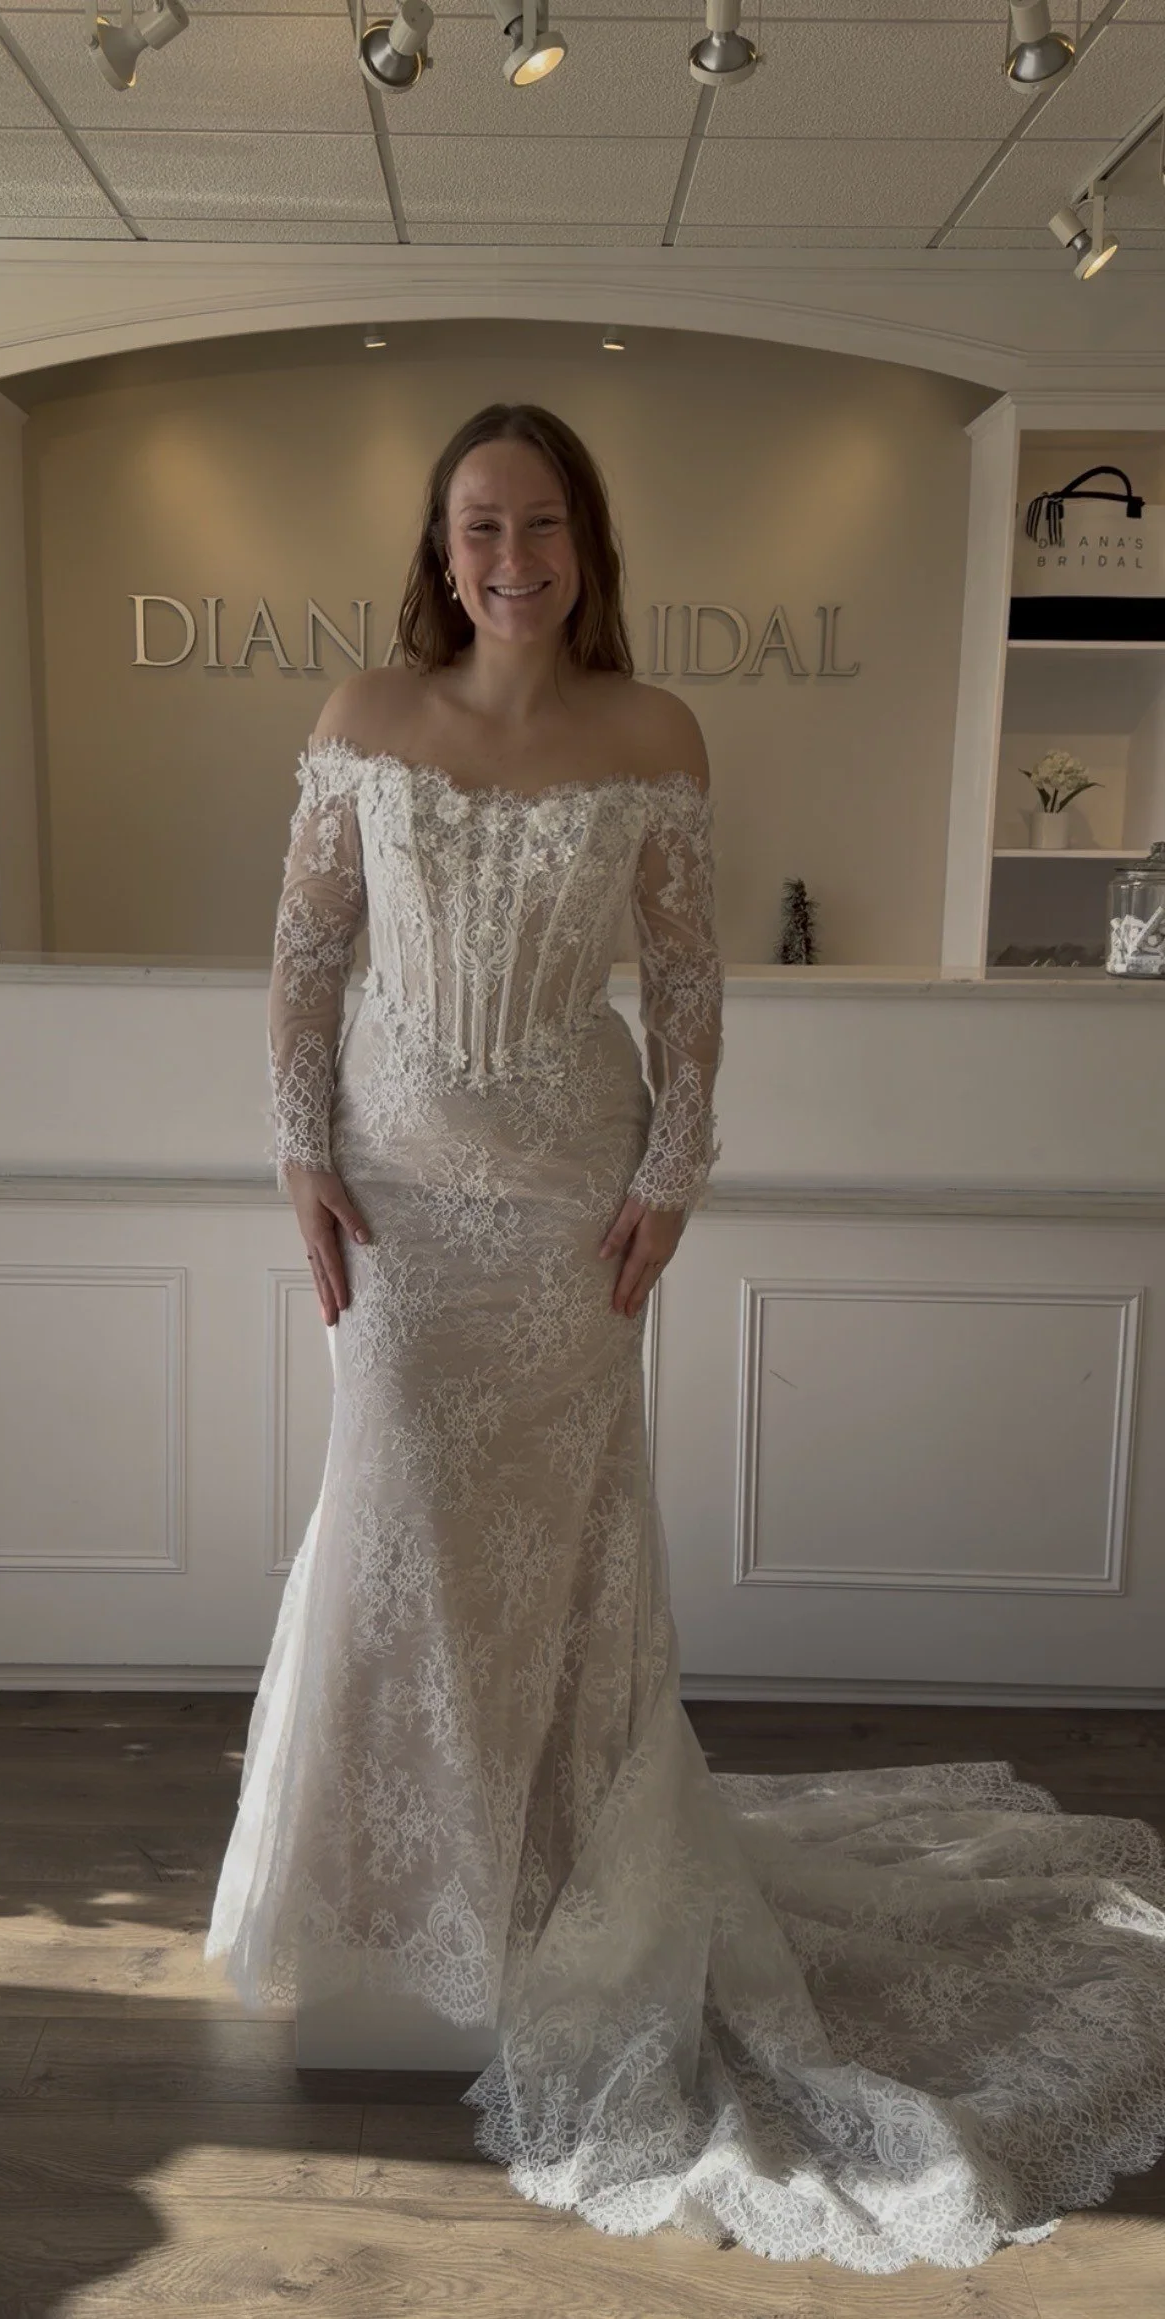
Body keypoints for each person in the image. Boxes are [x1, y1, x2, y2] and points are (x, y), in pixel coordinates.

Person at [205, 401, 1165, 2270]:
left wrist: (676, 1171)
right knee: (397, 1540)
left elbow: (695, 983)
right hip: (401, 1211)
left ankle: (555, 1886)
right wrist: (298, 1160)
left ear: (587, 545)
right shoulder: (359, 717)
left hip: (574, 1207)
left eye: (542, 524)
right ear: (438, 542)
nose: (511, 557)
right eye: (480, 524)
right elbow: (307, 962)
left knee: (561, 1558)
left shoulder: (657, 733)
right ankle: (396, 1909)